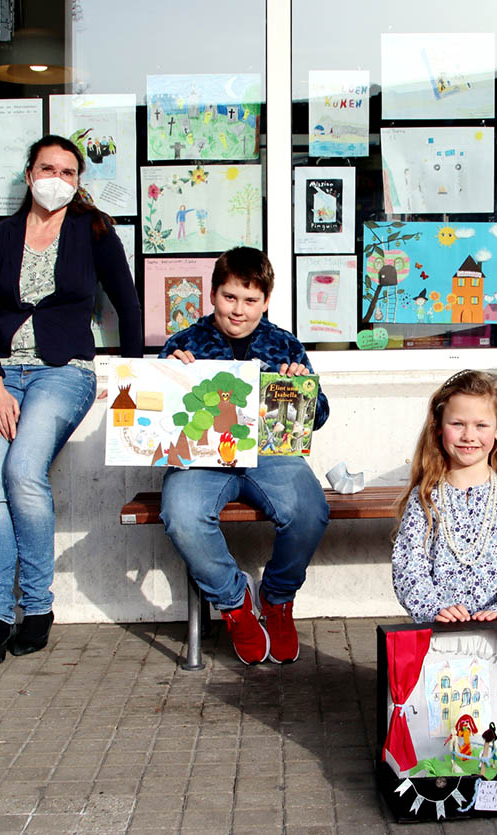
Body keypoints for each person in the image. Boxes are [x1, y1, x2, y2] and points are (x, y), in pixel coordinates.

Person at [0, 135, 142, 669]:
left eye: (68, 172)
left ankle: (37, 608)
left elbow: (127, 304)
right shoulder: (0, 236)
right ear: (28, 174)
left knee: (22, 472)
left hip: (64, 373)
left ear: (78, 181)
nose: (56, 179)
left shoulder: (95, 231)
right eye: (47, 168)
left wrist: (130, 376)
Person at [159, 247, 329, 665]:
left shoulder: (284, 344)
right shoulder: (183, 343)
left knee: (310, 508)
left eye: (251, 300)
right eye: (229, 297)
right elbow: (160, 419)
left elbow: (319, 415)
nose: (238, 310)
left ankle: (276, 599)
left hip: (271, 455)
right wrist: (170, 376)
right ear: (213, 294)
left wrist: (302, 389)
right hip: (201, 458)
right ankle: (235, 604)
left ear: (266, 301)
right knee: (181, 514)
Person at [391, 370, 497, 623]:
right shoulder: (425, 499)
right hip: (441, 634)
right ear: (439, 427)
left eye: (481, 425)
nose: (468, 436)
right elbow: (409, 568)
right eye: (458, 424)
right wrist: (434, 609)